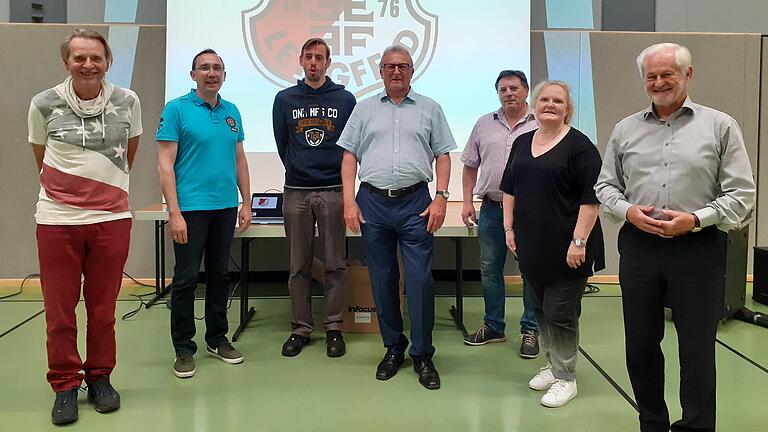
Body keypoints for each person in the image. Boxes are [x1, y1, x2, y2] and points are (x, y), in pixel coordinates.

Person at [595, 43, 755, 432]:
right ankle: (652, 422)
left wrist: (696, 220)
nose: (659, 82)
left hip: (697, 248)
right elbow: (605, 187)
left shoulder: (720, 125)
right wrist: (629, 211)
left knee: (697, 350)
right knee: (640, 347)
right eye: (651, 76)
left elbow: (741, 194)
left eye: (668, 74)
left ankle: (697, 426)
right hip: (639, 248)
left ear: (688, 75)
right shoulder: (625, 129)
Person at [28, 28, 142, 425]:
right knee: (59, 312)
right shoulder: (43, 103)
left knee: (103, 309)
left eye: (96, 57)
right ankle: (63, 385)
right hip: (57, 221)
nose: (88, 64)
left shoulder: (129, 101)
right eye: (79, 58)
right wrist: (70, 195)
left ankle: (100, 378)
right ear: (66, 63)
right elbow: (41, 156)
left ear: (107, 60)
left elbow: (130, 153)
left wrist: (103, 193)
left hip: (111, 220)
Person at [337, 44, 456, 390]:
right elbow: (348, 160)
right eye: (389, 66)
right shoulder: (363, 110)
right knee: (382, 278)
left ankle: (422, 354)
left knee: (419, 280)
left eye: (402, 66)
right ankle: (393, 347)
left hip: (416, 202)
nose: (396, 71)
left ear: (412, 70)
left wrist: (441, 198)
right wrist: (349, 202)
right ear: (381, 71)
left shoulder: (430, 109)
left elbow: (443, 156)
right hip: (372, 202)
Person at [500, 80, 604, 408]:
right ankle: (552, 364)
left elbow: (592, 200)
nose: (550, 104)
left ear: (567, 108)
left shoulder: (580, 147)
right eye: (544, 99)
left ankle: (566, 377)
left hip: (569, 248)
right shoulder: (521, 143)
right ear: (534, 104)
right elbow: (509, 190)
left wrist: (578, 242)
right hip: (532, 245)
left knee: (560, 312)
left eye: (557, 100)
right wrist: (508, 229)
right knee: (540, 309)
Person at [157, 48, 251, 379]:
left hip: (224, 207)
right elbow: (165, 164)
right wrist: (174, 213)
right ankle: (183, 348)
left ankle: (217, 339)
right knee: (185, 280)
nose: (212, 73)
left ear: (224, 75)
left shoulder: (232, 112)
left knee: (219, 276)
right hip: (190, 210)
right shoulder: (177, 109)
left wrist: (247, 201)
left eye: (218, 68)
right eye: (205, 67)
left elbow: (239, 159)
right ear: (193, 74)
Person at [272, 38, 357, 358]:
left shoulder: (345, 99)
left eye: (319, 57)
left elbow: (351, 146)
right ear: (300, 60)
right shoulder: (284, 99)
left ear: (328, 62)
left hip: (334, 190)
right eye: (308, 57)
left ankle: (334, 327)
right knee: (298, 266)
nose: (313, 62)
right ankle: (301, 328)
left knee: (335, 263)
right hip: (296, 191)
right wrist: (299, 168)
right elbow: (283, 144)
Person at [460, 70, 541, 358]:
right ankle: (493, 325)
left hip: (531, 212)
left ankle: (530, 330)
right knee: (489, 270)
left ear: (526, 90)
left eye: (514, 88)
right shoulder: (484, 124)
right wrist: (467, 201)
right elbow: (470, 165)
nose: (508, 93)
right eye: (503, 89)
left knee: (530, 271)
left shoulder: (540, 123)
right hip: (492, 209)